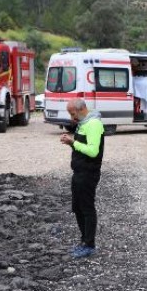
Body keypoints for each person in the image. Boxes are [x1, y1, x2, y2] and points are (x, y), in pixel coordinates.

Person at [60, 99, 105, 259]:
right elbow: (82, 145)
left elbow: (93, 151)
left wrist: (73, 142)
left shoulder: (93, 124)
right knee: (77, 208)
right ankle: (84, 241)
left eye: (73, 114)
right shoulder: (84, 123)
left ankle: (89, 244)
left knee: (87, 208)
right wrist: (71, 143)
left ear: (81, 110)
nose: (72, 118)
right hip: (79, 172)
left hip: (88, 173)